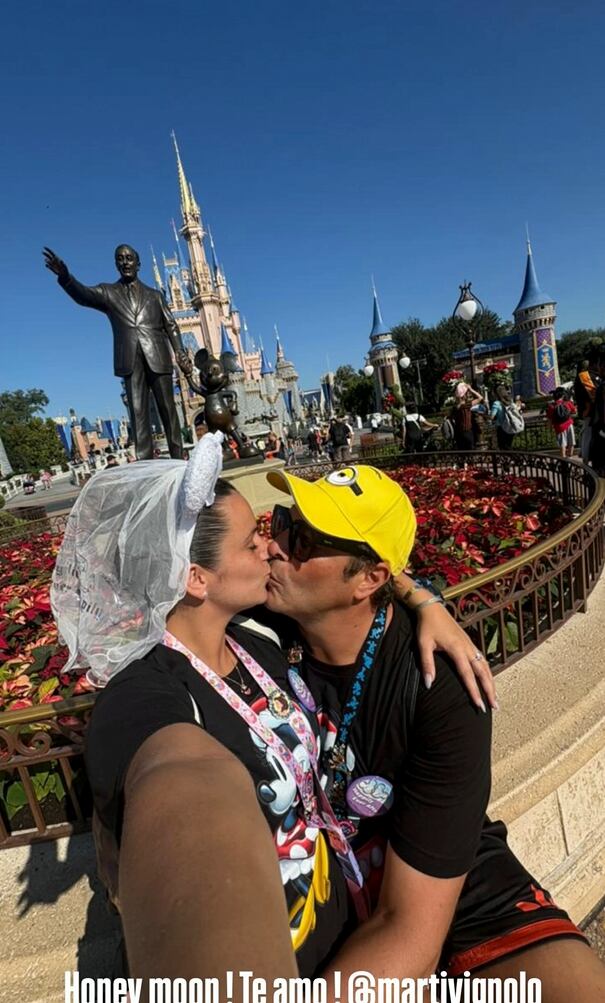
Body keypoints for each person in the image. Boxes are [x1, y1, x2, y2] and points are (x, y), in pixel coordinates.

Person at [262, 465, 605, 998]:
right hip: (325, 880)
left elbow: (411, 933)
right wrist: (420, 593)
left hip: (445, 881)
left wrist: (413, 593)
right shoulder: (266, 627)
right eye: (285, 521)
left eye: (302, 539)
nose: (277, 545)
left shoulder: (439, 684)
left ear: (369, 579)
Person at [43, 245, 192, 460]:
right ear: (116, 264)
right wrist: (66, 277)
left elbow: (172, 326)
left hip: (158, 356)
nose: (125, 262)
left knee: (169, 411)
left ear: (138, 264)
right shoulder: (108, 293)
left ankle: (179, 459)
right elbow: (83, 294)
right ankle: (145, 465)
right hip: (130, 360)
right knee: (138, 413)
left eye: (129, 258)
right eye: (120, 259)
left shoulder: (156, 296)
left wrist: (179, 352)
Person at [573, 359, 597, 464]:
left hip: (589, 411)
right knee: (588, 434)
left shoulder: (580, 376)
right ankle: (586, 459)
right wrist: (587, 408)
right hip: (591, 411)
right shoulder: (584, 376)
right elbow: (590, 394)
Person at [490, 385, 524, 451]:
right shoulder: (510, 402)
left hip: (502, 427)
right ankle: (515, 458)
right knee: (508, 445)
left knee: (503, 447)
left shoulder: (496, 403)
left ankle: (515, 458)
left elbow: (492, 417)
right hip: (511, 425)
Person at [546, 387, 577, 458]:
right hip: (569, 424)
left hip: (558, 427)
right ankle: (570, 458)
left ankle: (564, 460)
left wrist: (549, 428)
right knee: (571, 442)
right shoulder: (567, 403)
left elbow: (549, 419)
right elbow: (574, 411)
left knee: (562, 444)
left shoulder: (551, 406)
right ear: (562, 395)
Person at [451, 383, 483, 450]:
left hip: (458, 433)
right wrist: (471, 389)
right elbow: (480, 397)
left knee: (462, 453)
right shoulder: (466, 405)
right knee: (470, 451)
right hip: (467, 432)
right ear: (464, 395)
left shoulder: (455, 407)